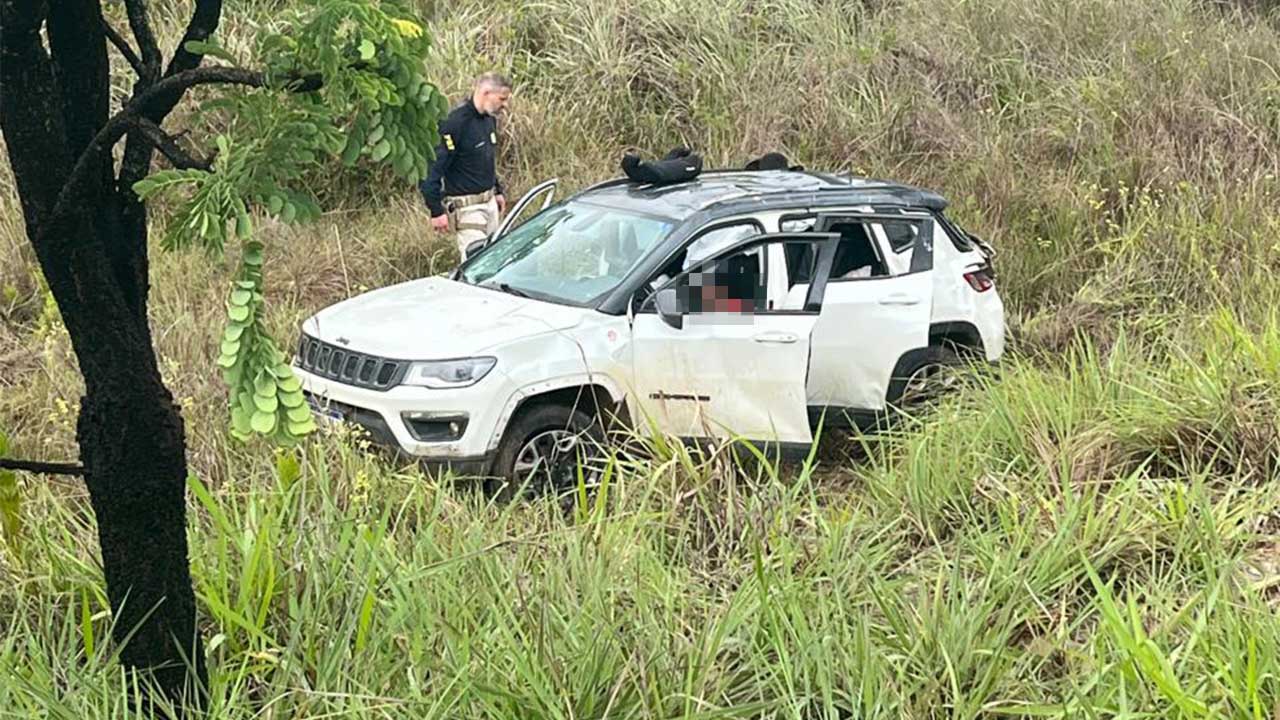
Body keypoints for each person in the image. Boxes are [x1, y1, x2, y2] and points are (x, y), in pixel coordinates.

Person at [419, 72, 513, 258]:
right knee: (476, 264)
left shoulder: (489, 120)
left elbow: (484, 159)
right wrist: (436, 210)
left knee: (496, 260)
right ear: (486, 92)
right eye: (502, 99)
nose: (505, 105)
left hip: (490, 204)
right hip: (468, 209)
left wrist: (497, 190)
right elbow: (432, 170)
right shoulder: (453, 122)